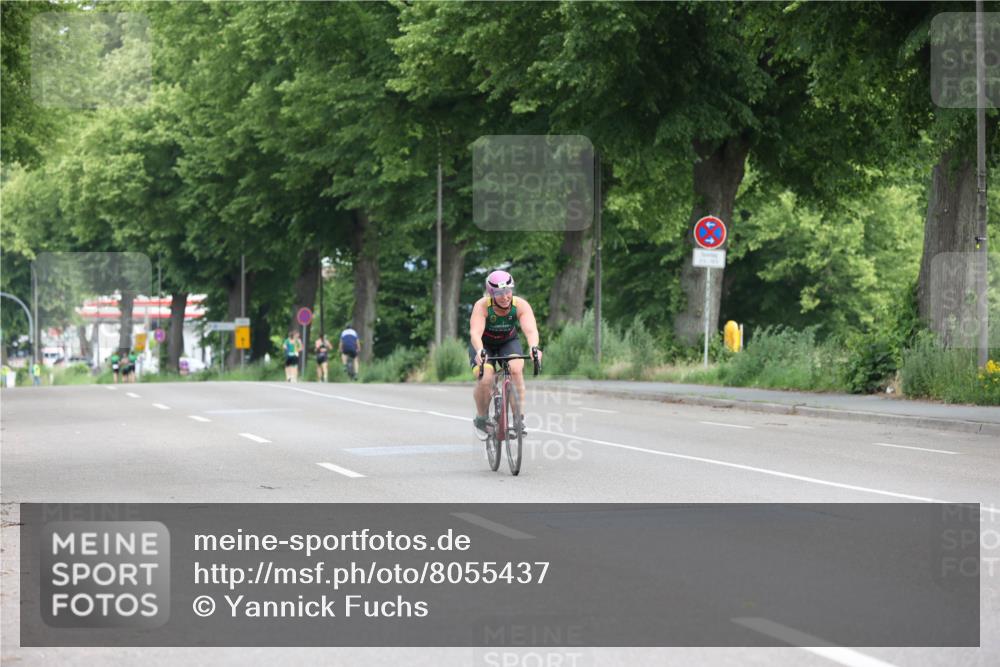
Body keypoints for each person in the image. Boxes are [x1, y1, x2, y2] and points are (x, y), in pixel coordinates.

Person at [468, 269, 542, 436]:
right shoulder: (482, 306)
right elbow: (475, 333)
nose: (505, 296)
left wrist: (533, 347)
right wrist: (479, 351)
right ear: (491, 294)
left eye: (508, 291)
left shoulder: (520, 305)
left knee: (516, 369)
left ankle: (518, 418)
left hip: (508, 342)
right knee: (486, 378)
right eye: (499, 293)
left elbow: (530, 330)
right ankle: (481, 418)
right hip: (484, 344)